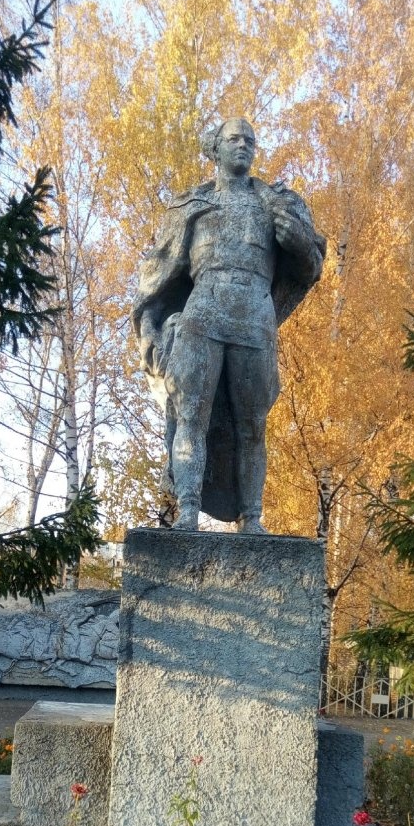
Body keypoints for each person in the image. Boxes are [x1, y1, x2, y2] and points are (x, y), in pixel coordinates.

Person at [132, 118, 326, 533]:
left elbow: (311, 265)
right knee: (191, 414)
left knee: (253, 424)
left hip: (254, 317)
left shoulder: (275, 204)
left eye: (249, 141)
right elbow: (160, 270)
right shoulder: (192, 206)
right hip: (203, 312)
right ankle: (187, 509)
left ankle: (251, 517)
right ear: (216, 148)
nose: (243, 146)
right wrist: (151, 324)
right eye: (234, 139)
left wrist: (297, 241)